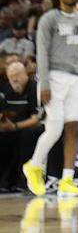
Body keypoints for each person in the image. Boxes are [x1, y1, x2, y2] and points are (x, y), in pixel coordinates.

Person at [23, 0, 78, 200]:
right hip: (53, 76)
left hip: (76, 78)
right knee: (54, 129)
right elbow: (42, 53)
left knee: (74, 128)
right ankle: (34, 166)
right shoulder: (49, 19)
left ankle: (66, 180)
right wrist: (43, 83)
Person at [0, 59, 41, 192]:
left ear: (25, 74)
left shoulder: (34, 88)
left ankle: (24, 182)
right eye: (11, 76)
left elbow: (37, 119)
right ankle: (4, 182)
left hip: (30, 127)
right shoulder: (6, 89)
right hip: (11, 126)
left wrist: (16, 126)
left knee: (27, 135)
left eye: (17, 75)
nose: (14, 79)